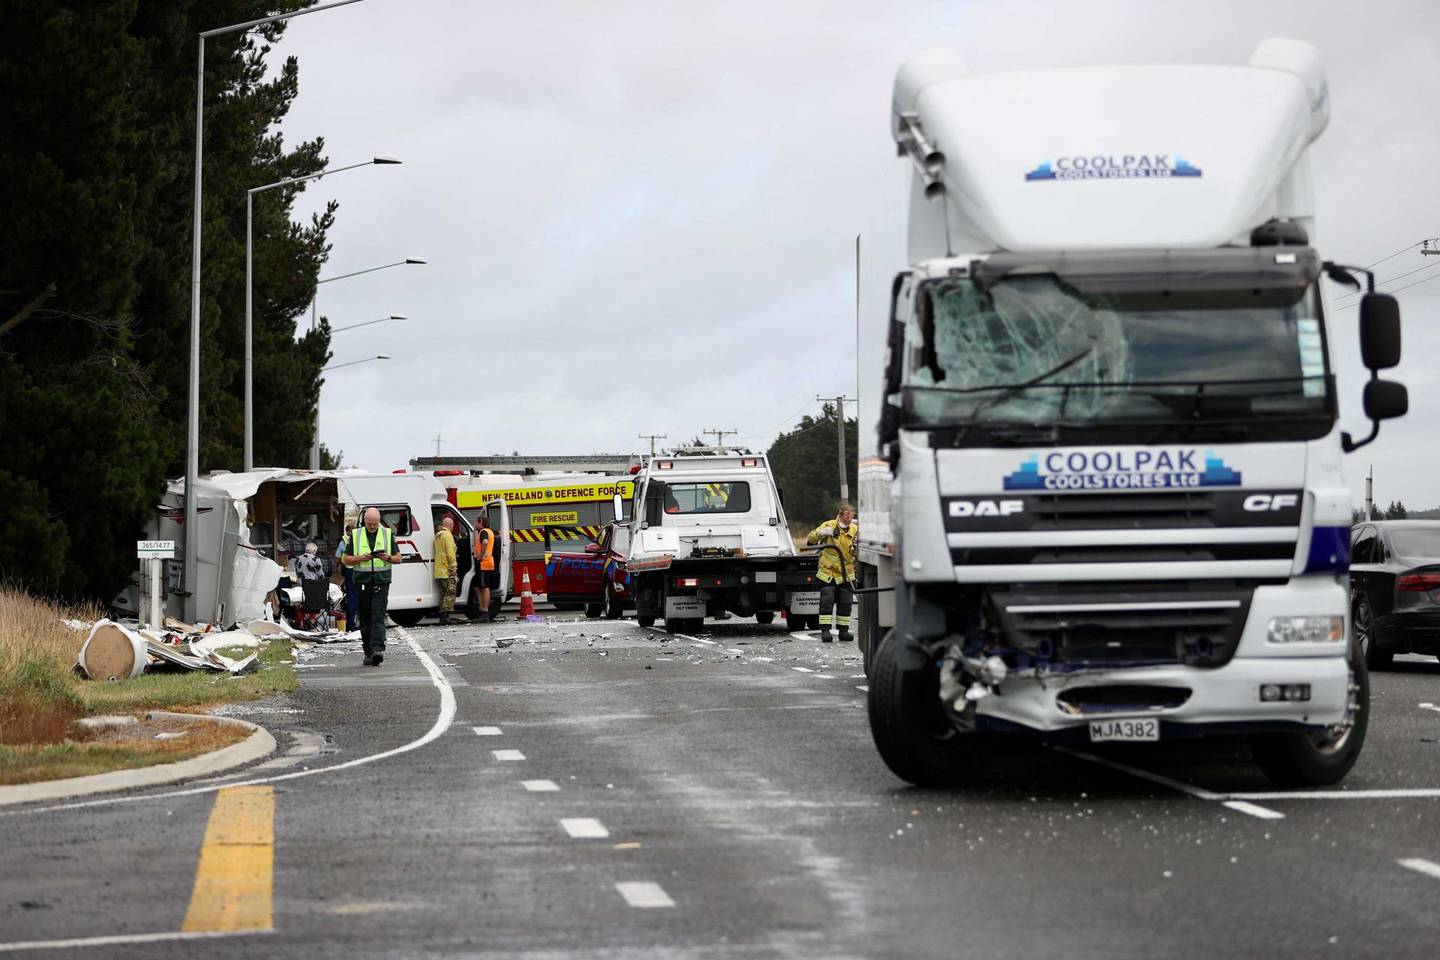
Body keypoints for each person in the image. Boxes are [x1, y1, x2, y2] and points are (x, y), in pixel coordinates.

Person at [342, 507, 403, 666]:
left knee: (378, 615)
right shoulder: (356, 535)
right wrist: (360, 558)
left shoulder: (387, 534)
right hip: (362, 581)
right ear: (364, 521)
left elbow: (399, 558)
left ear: (379, 521)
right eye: (369, 524)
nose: (372, 527)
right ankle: (368, 651)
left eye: (375, 524)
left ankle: (377, 649)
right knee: (365, 617)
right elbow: (345, 559)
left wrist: (388, 557)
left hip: (381, 580)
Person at [806, 503, 858, 643]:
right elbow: (810, 539)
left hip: (846, 574)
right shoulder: (829, 525)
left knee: (846, 603)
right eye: (848, 516)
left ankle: (843, 631)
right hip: (828, 573)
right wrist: (822, 533)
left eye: (852, 516)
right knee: (826, 602)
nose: (850, 519)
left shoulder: (855, 530)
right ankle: (825, 630)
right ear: (840, 515)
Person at [472, 513, 501, 621]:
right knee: (477, 586)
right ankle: (482, 609)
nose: (475, 524)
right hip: (486, 563)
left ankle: (484, 612)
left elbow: (485, 543)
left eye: (476, 522)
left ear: (481, 522)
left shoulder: (483, 532)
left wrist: (480, 556)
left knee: (484, 587)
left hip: (484, 563)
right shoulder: (489, 531)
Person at [336, 513, 359, 630]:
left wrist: (336, 569)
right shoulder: (359, 541)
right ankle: (361, 623)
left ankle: (350, 625)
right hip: (359, 570)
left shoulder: (343, 542)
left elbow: (337, 559)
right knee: (361, 597)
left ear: (346, 531)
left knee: (351, 597)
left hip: (348, 572)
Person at [434, 516, 458, 625]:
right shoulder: (448, 535)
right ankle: (446, 617)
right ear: (450, 525)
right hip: (446, 570)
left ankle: (442, 617)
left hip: (438, 571)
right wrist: (453, 567)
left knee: (443, 594)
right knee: (450, 593)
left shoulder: (438, 535)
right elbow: (450, 553)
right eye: (453, 525)